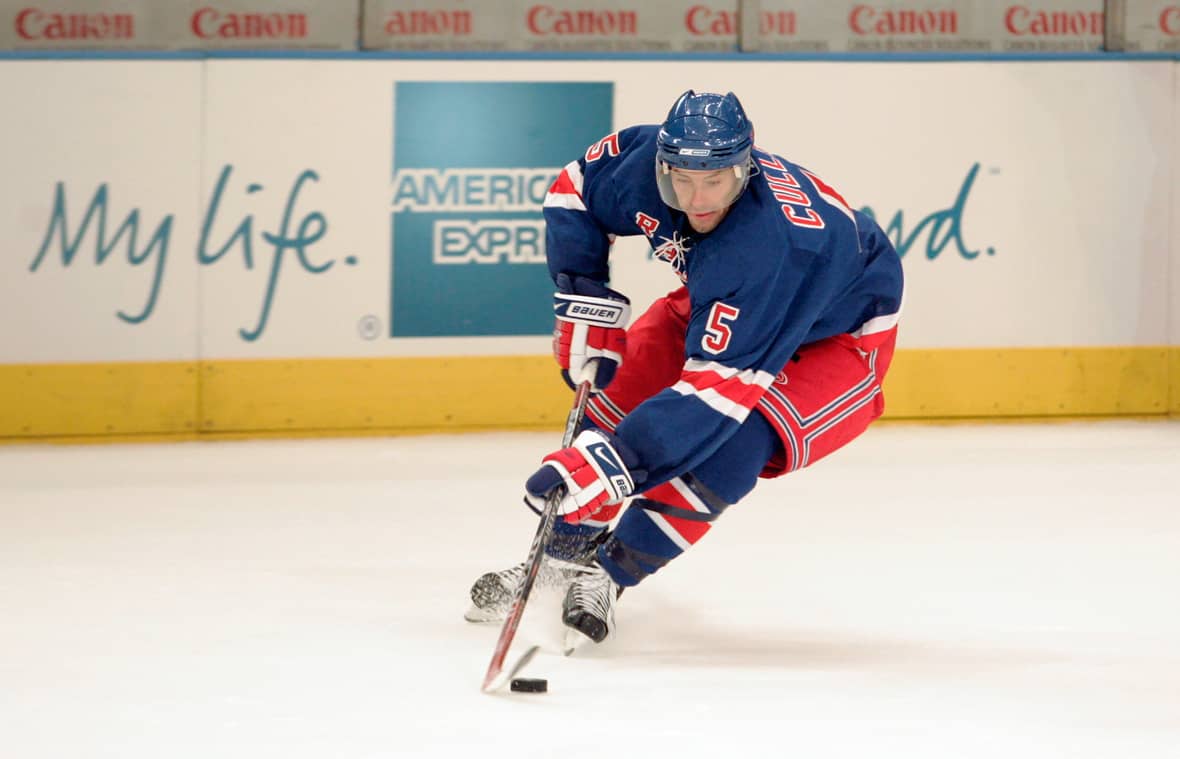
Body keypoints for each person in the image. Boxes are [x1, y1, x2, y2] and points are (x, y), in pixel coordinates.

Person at [464, 90, 904, 646]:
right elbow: (574, 190)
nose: (696, 199)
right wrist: (583, 292)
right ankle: (560, 563)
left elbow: (715, 398)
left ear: (744, 170)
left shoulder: (772, 248)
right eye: (682, 179)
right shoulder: (648, 160)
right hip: (727, 299)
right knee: (614, 399)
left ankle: (607, 575)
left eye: (714, 181)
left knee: (735, 446)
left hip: (838, 339)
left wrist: (617, 463)